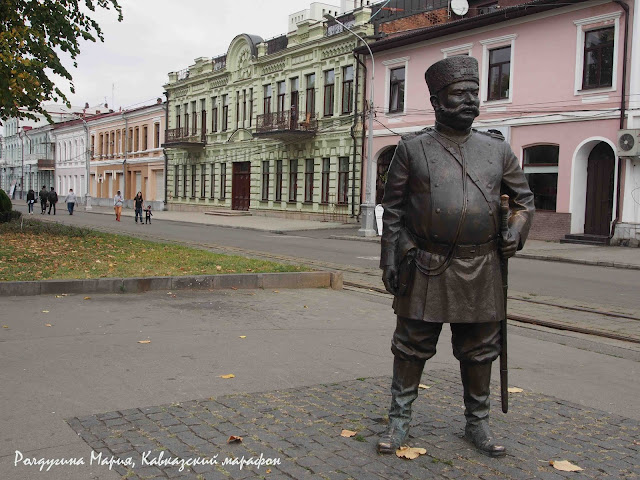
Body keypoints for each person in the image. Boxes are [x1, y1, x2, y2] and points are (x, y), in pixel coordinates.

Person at [378, 56, 534, 458]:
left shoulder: (497, 150)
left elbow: (524, 202)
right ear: (436, 100)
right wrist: (390, 259)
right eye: (459, 93)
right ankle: (399, 419)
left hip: (482, 266)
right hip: (424, 262)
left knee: (481, 348)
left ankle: (477, 424)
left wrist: (515, 230)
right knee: (411, 345)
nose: (469, 101)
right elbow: (393, 209)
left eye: (474, 93)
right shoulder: (412, 149)